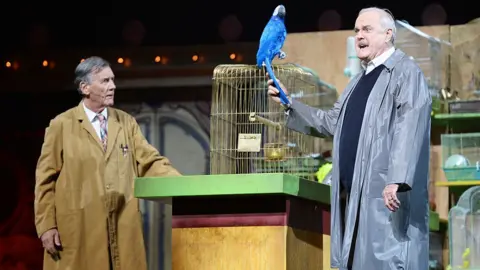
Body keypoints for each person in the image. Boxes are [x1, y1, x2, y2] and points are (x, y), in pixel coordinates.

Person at [267, 7, 431, 270]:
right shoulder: (357, 82)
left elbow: (410, 124)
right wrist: (290, 104)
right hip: (352, 197)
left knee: (387, 260)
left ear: (388, 34)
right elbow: (333, 122)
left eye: (367, 29)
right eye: (356, 30)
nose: (359, 36)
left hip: (384, 195)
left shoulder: (405, 72)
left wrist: (396, 179)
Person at [34, 56, 182, 270]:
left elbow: (150, 162)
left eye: (112, 80)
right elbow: (45, 180)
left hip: (121, 225)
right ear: (85, 87)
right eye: (105, 81)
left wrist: (184, 186)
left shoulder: (126, 122)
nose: (113, 86)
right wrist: (47, 226)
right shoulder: (61, 125)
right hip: (80, 228)